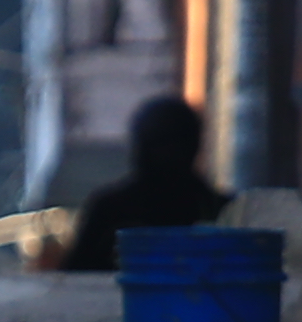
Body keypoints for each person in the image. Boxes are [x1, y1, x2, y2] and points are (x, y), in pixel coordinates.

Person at [49, 93, 230, 271]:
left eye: (172, 143)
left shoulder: (110, 209)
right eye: (160, 143)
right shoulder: (221, 212)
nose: (167, 154)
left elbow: (75, 280)